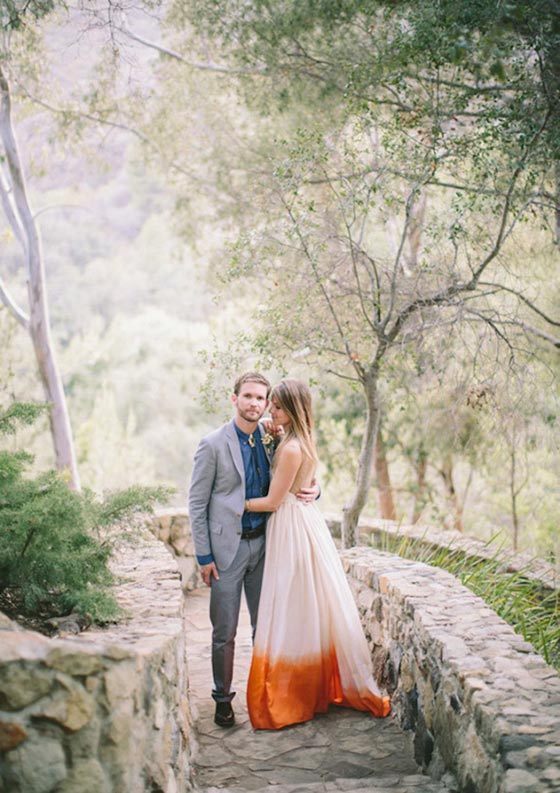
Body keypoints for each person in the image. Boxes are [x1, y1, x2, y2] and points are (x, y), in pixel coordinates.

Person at [244, 378, 391, 730]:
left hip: (290, 526)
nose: (270, 410)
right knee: (306, 607)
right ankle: (314, 683)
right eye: (271, 404)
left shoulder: (292, 448)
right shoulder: (298, 439)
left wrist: (234, 503)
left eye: (278, 406)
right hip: (302, 520)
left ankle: (294, 691)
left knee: (290, 607)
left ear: (293, 410)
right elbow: (302, 483)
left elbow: (273, 501)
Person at [188, 372, 318, 728]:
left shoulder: (271, 435)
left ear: (266, 403)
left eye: (261, 398)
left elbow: (296, 469)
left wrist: (316, 489)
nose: (255, 404)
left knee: (267, 627)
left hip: (266, 546)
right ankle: (222, 699)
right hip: (225, 553)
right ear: (235, 399)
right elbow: (197, 504)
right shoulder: (212, 444)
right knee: (224, 632)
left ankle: (267, 695)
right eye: (248, 396)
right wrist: (204, 556)